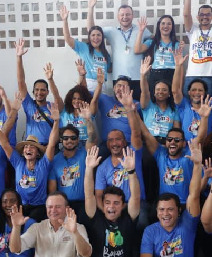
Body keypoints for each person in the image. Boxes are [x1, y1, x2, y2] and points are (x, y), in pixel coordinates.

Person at [0, 101, 59, 222]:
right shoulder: (18, 163)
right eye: (26, 147)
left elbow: (52, 144)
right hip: (20, 207)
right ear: (22, 152)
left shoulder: (44, 164)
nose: (28, 149)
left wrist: (56, 121)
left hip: (39, 208)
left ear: (38, 153)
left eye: (32, 147)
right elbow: (3, 143)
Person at [140, 97, 211, 206]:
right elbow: (146, 133)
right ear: (166, 142)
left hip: (185, 204)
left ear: (184, 144)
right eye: (169, 139)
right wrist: (132, 111)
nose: (172, 142)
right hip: (164, 205)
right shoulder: (161, 154)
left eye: (177, 140)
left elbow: (200, 138)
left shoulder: (189, 155)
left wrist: (204, 118)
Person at [95, 89, 149, 231]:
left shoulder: (133, 153)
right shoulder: (102, 167)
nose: (114, 143)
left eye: (118, 139)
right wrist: (106, 211)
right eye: (111, 140)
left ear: (125, 142)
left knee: (142, 222)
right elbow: (98, 195)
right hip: (113, 206)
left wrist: (128, 108)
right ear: (107, 144)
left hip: (136, 202)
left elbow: (136, 133)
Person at [88, 0, 151, 98]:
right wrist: (90, 8)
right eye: (122, 14)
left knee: (137, 106)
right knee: (120, 107)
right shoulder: (111, 31)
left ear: (132, 16)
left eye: (128, 14)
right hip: (118, 80)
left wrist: (145, 46)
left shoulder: (141, 29)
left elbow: (153, 38)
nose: (125, 17)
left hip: (138, 77)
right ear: (118, 17)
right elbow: (91, 30)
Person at [48, 103, 97, 214]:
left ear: (78, 139)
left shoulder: (85, 154)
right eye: (66, 138)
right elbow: (52, 190)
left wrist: (88, 119)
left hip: (84, 204)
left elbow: (92, 138)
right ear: (61, 140)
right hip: (63, 207)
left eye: (73, 138)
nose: (69, 140)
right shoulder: (55, 160)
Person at [15, 39, 64, 145]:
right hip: (31, 146)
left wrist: (50, 80)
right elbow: (21, 81)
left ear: (47, 92)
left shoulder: (53, 107)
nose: (39, 92)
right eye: (37, 90)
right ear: (33, 92)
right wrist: (19, 57)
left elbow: (57, 96)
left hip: (50, 147)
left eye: (43, 90)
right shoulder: (28, 104)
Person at [60, 5, 112, 93]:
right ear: (89, 37)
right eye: (93, 35)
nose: (96, 38)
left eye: (98, 35)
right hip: (87, 85)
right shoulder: (84, 48)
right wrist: (64, 20)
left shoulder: (106, 54)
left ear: (102, 37)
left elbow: (109, 69)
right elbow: (68, 39)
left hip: (102, 87)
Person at [90, 71, 142, 156]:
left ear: (130, 90)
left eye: (124, 87)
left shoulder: (136, 104)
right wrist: (99, 84)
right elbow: (83, 93)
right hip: (107, 144)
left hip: (128, 144)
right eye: (119, 85)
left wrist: (132, 110)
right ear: (114, 88)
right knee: (94, 155)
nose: (121, 88)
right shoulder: (105, 99)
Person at [173, 48, 212, 143]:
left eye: (200, 90)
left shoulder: (210, 105)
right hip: (186, 147)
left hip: (206, 147)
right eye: (193, 90)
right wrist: (178, 66)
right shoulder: (184, 104)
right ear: (188, 92)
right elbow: (175, 91)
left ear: (205, 92)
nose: (197, 93)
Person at [135, 15, 181, 95]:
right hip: (155, 74)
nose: (166, 26)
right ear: (159, 26)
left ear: (172, 27)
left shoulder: (176, 44)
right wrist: (141, 31)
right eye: (163, 23)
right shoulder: (152, 41)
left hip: (172, 74)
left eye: (169, 24)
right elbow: (137, 50)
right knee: (155, 98)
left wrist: (180, 86)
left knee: (171, 99)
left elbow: (180, 66)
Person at [139, 56, 180, 141]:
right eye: (158, 89)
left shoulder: (173, 110)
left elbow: (177, 131)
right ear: (154, 92)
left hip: (166, 142)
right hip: (149, 141)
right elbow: (144, 91)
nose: (160, 92)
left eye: (164, 90)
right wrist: (143, 76)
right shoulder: (148, 105)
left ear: (169, 94)